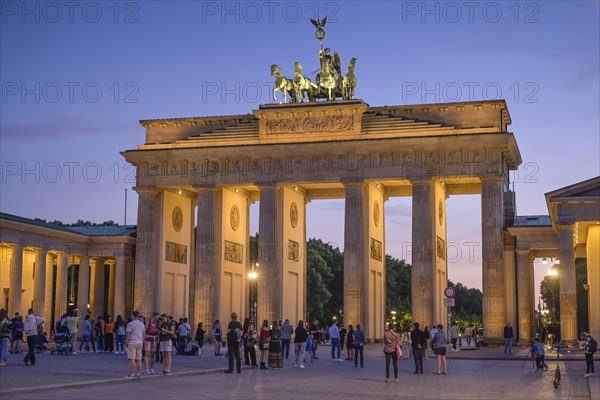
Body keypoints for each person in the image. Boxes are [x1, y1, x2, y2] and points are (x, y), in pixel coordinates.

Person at [124, 311, 144, 379]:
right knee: (139, 359)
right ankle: (139, 373)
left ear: (133, 316)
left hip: (132, 342)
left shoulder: (130, 324)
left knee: (132, 359)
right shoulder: (142, 324)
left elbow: (127, 334)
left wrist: (126, 342)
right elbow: (143, 334)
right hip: (140, 342)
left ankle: (132, 374)